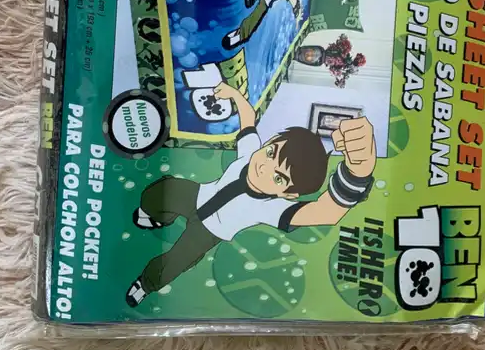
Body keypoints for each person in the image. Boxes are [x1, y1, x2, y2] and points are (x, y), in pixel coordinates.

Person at [125, 83, 376, 307]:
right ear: (270, 142)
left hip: (208, 232)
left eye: (278, 177)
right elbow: (248, 119)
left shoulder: (273, 208)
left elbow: (326, 212)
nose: (263, 168)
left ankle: (146, 284)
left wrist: (358, 173)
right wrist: (234, 94)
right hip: (197, 195)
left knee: (174, 263)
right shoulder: (250, 152)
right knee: (159, 192)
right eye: (270, 153)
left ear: (289, 193)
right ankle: (159, 217)